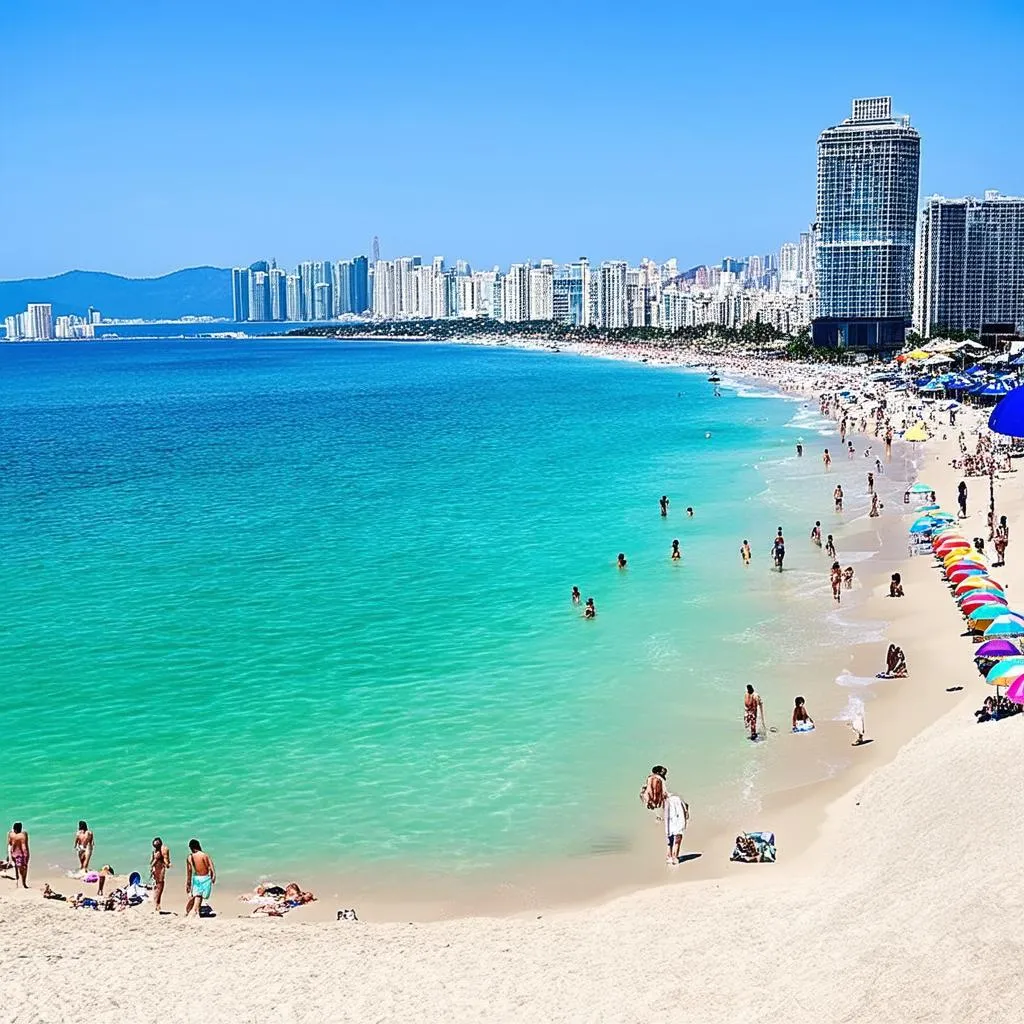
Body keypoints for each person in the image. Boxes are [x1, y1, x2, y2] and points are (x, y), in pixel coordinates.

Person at [185, 839, 215, 918]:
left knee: (198, 894)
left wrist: (188, 882)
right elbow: (211, 866)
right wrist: (213, 875)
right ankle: (195, 911)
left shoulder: (190, 857)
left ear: (191, 847)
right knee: (200, 895)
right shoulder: (204, 855)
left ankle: (196, 911)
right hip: (205, 878)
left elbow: (189, 871)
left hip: (196, 878)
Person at [663, 791, 689, 865]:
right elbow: (685, 808)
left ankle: (669, 857)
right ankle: (674, 857)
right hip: (677, 821)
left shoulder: (667, 802)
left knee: (670, 839)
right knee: (677, 839)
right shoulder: (677, 800)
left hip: (669, 822)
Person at [150, 837, 171, 913]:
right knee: (158, 886)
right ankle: (157, 905)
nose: (155, 847)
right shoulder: (155, 851)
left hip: (160, 868)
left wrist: (167, 864)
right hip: (156, 868)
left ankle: (157, 904)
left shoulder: (163, 850)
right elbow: (152, 860)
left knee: (159, 886)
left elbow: (166, 860)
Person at [7, 823, 29, 889]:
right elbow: (24, 847)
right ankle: (24, 883)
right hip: (20, 855)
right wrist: (26, 855)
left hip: (13, 853)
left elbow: (9, 843)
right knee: (24, 868)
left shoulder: (10, 834)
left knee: (16, 866)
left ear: (14, 828)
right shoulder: (23, 835)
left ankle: (17, 877)